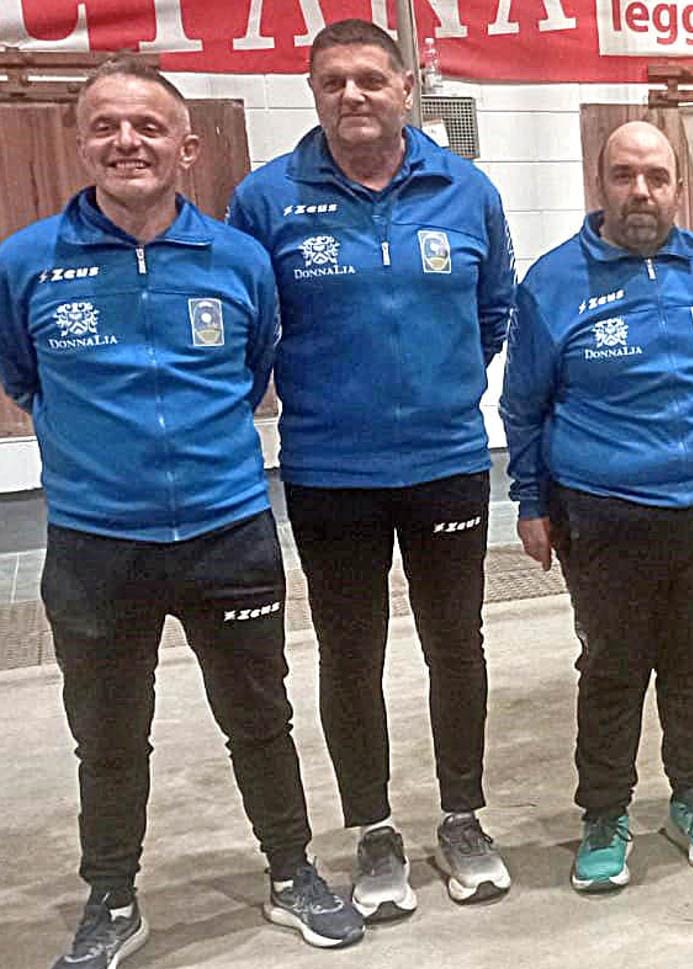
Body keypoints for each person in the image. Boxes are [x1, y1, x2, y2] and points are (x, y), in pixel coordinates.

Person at [0, 57, 363, 969]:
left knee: (261, 718)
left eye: (149, 127)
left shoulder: (239, 260)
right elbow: (22, 374)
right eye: (106, 126)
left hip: (226, 530)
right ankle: (112, 900)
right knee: (108, 735)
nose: (127, 142)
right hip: (96, 543)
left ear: (187, 148)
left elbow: (253, 371)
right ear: (82, 142)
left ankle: (291, 869)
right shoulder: (26, 262)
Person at [227, 19, 515, 921]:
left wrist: (439, 389)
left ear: (406, 88)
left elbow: (493, 311)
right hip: (330, 471)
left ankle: (462, 817)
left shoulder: (466, 191)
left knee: (456, 643)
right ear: (313, 93)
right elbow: (250, 328)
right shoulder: (266, 199)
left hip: (447, 464)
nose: (351, 95)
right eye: (332, 82)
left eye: (369, 79)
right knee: (351, 653)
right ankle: (373, 829)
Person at [501, 121, 693, 891]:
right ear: (600, 183)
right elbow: (522, 406)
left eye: (656, 176)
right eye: (624, 175)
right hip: (605, 512)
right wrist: (530, 502)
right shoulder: (553, 281)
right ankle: (604, 814)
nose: (641, 191)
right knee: (613, 668)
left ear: (678, 187)